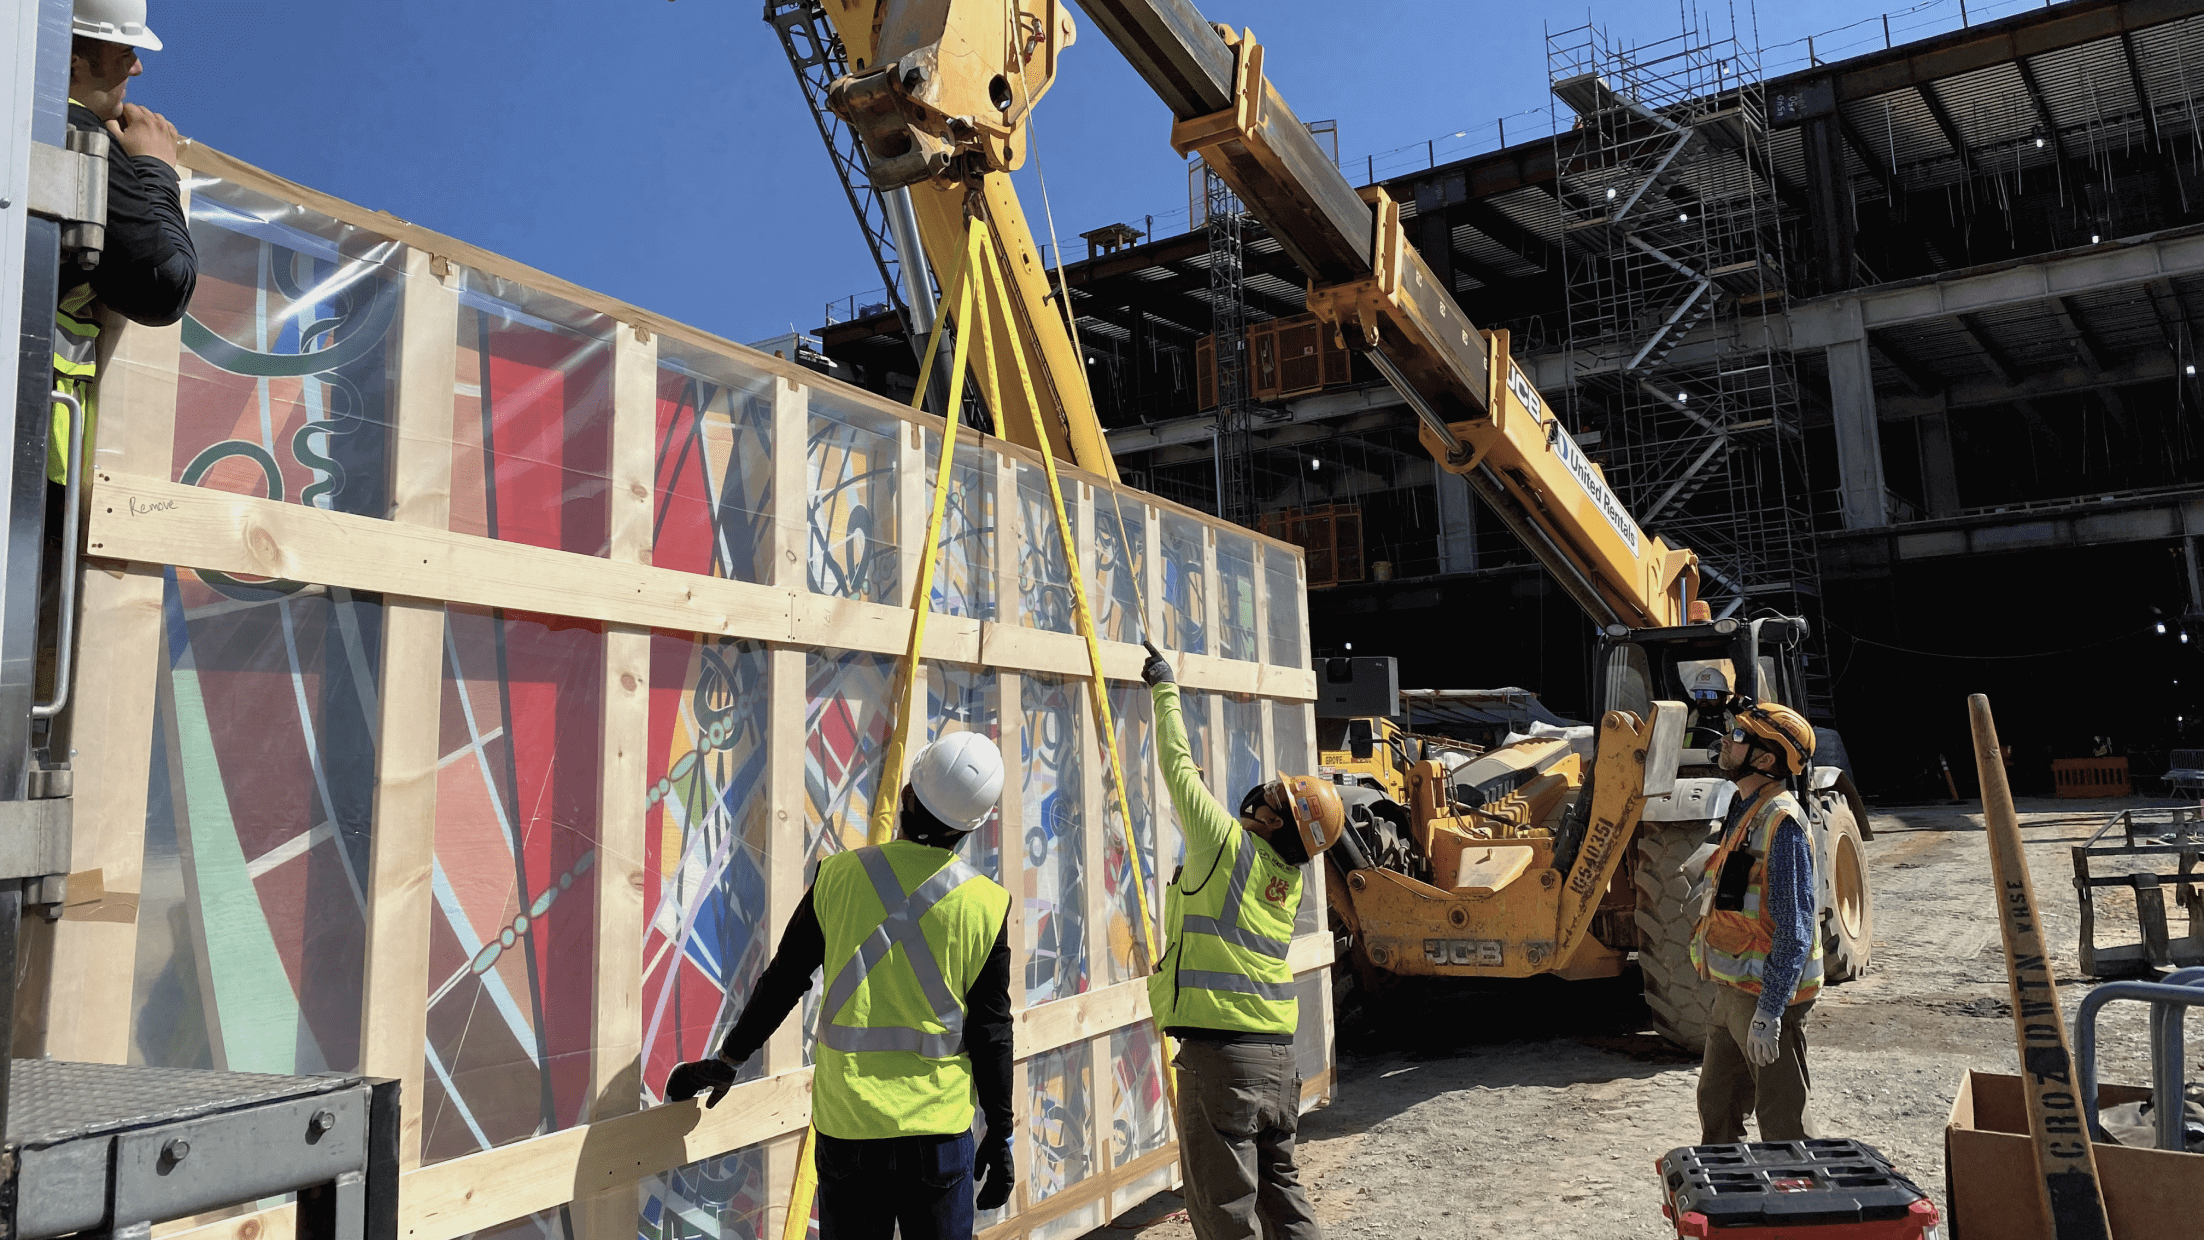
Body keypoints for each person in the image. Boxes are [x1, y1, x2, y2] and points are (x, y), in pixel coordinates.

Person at [662, 733, 1016, 1240]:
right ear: (971, 827)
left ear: (907, 795)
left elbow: (783, 981)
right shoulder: (985, 905)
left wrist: (731, 1059)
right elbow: (991, 1030)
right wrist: (1000, 1132)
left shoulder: (838, 877)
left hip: (850, 1130)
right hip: (937, 1136)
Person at [1139, 640, 1342, 1240]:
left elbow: (1177, 767)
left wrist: (1164, 688)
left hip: (1222, 1059)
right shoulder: (1286, 878)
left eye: (1275, 797)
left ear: (1275, 821)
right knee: (1280, 1194)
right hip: (1278, 1059)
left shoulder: (1224, 843)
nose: (1262, 793)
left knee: (1223, 1211)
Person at [55, 0, 196, 487]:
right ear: (74, 64)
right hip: (27, 441)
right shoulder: (77, 133)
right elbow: (164, 286)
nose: (137, 66)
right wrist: (157, 170)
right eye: (123, 54)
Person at [1690, 700, 1824, 1145]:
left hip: (1768, 997)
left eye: (1740, 736)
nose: (1726, 740)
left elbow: (1795, 927)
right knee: (1716, 1103)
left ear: (1765, 760)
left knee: (1782, 1117)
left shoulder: (1782, 823)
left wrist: (1771, 1011)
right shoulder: (1743, 807)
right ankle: (1730, 1198)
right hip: (1731, 992)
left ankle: (1799, 1201)